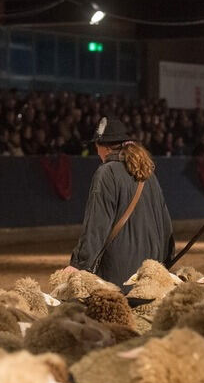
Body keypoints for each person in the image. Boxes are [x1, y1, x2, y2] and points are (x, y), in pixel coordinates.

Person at [67, 117, 175, 289]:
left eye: (97, 147)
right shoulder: (148, 174)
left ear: (106, 147)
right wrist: (165, 263)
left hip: (119, 273)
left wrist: (80, 264)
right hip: (150, 272)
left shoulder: (106, 173)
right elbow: (165, 224)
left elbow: (97, 224)